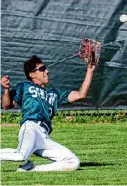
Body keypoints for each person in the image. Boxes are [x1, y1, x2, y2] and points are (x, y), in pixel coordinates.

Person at [0, 55, 96, 172]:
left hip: (44, 136)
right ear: (32, 75)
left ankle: (31, 169)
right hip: (31, 127)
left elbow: (81, 94)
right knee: (20, 155)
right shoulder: (25, 87)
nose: (47, 71)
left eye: (45, 68)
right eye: (42, 69)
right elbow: (6, 105)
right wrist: (5, 89)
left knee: (73, 162)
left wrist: (90, 70)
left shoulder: (54, 94)